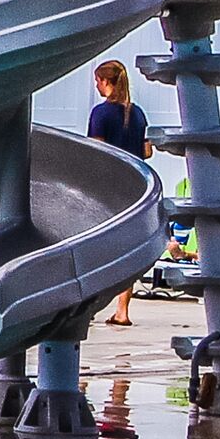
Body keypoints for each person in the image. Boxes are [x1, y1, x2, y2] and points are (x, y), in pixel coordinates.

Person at [90, 59, 156, 326]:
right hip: (134, 189)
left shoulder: (100, 114)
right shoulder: (137, 113)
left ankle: (90, 306)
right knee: (127, 251)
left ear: (106, 82)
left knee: (97, 249)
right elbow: (148, 151)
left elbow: (96, 153)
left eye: (98, 81)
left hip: (106, 189)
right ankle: (122, 310)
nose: (96, 85)